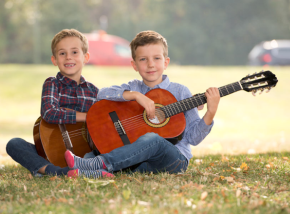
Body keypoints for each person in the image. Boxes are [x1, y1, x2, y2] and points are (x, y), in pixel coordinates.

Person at [64, 30, 220, 176]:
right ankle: (95, 171)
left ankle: (97, 164)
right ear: (134, 65)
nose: (150, 64)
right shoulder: (134, 87)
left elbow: (193, 138)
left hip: (173, 159)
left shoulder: (180, 92)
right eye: (143, 59)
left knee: (153, 139)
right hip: (141, 159)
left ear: (166, 62)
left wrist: (210, 113)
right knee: (101, 150)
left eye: (156, 58)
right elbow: (102, 94)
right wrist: (135, 95)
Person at [6, 29, 114, 178]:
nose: (68, 57)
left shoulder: (94, 91)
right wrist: (87, 116)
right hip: (51, 150)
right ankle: (58, 172)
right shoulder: (52, 84)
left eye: (74, 52)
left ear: (86, 57)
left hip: (84, 154)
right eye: (62, 53)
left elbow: (100, 123)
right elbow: (49, 112)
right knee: (14, 144)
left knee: (106, 152)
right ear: (55, 60)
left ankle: (80, 169)